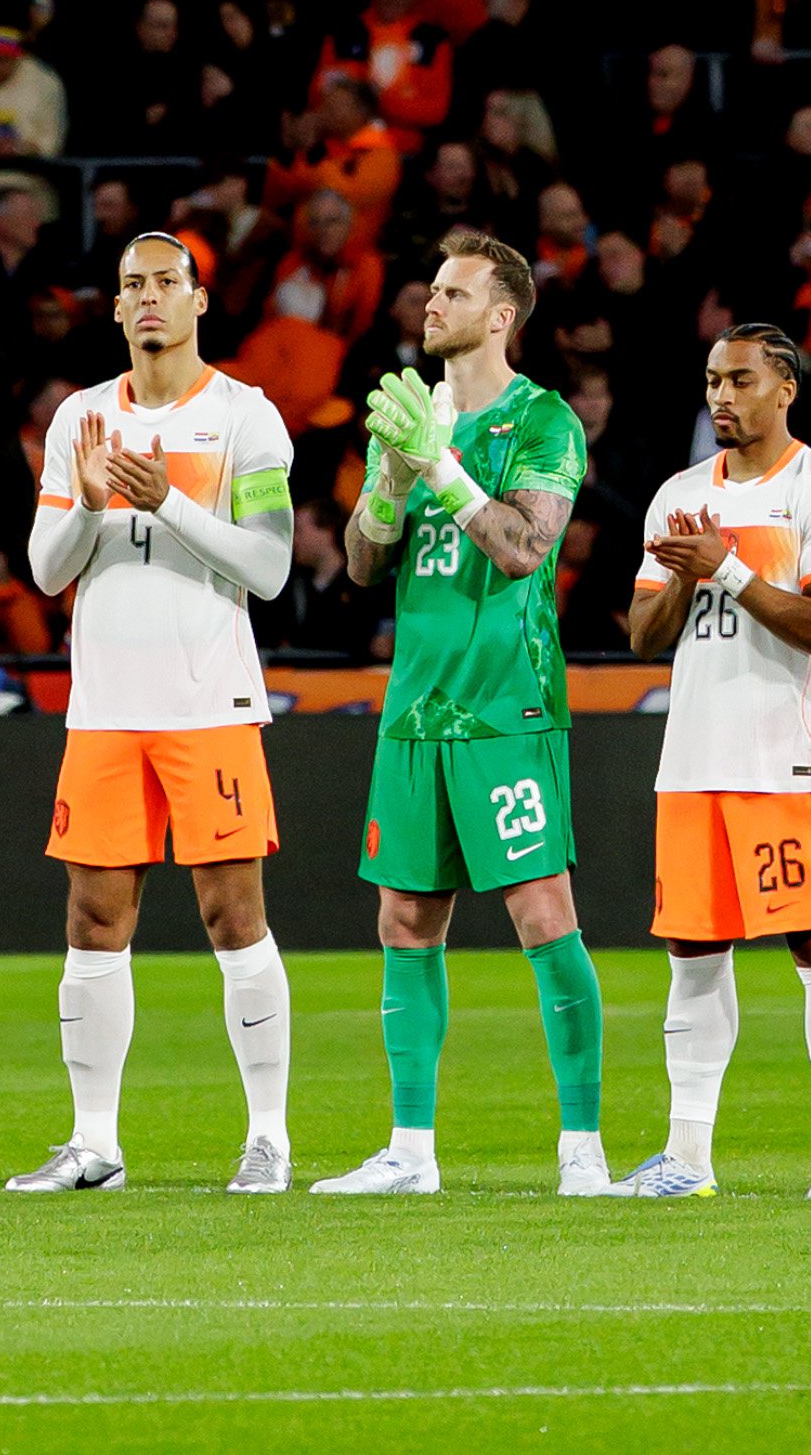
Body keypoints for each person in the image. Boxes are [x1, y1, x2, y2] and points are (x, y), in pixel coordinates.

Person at [315, 229, 603, 1198]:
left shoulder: (543, 420)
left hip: (502, 703)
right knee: (404, 918)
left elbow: (524, 547)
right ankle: (410, 1149)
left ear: (501, 314)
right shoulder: (406, 415)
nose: (429, 303)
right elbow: (361, 565)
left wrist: (438, 467)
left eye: (451, 291)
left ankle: (582, 1150)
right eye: (429, 288)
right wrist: (387, 487)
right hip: (415, 707)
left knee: (539, 910)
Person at [13, 230, 298, 1194]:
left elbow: (269, 566)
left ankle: (268, 1137)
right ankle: (95, 1143)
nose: (147, 299)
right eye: (132, 285)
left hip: (208, 704)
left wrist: (168, 500)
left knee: (232, 914)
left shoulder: (246, 418)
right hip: (104, 712)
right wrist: (90, 505)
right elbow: (49, 569)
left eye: (165, 283)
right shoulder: (81, 419)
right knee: (93, 919)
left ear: (199, 299)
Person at [616, 322, 811, 1199]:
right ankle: (687, 1156)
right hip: (692, 758)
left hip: (785, 760)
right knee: (692, 952)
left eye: (739, 380)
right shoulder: (679, 494)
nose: (721, 396)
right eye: (712, 381)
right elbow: (644, 635)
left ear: (784, 388)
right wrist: (689, 574)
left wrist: (725, 568)